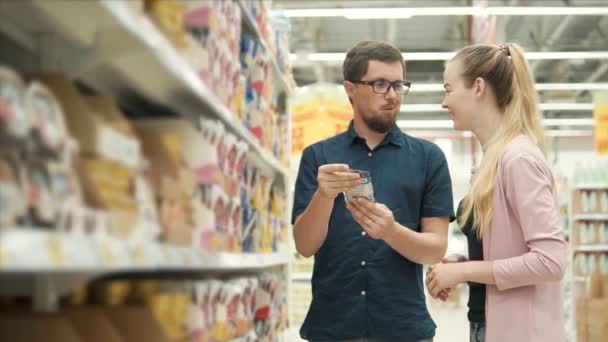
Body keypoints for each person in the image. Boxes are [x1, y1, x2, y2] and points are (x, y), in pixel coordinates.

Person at [292, 40, 454, 342]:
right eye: (380, 84)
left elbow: (435, 248)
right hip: (332, 328)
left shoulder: (428, 158)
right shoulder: (318, 157)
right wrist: (323, 197)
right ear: (351, 89)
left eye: (398, 85)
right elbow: (304, 246)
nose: (392, 95)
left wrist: (391, 231)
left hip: (403, 329)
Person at [425, 42, 567, 342]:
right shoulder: (494, 161)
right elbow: (508, 252)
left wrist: (465, 273)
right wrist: (462, 266)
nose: (444, 102)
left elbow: (551, 260)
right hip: (489, 325)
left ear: (478, 87)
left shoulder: (518, 160)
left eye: (449, 89)